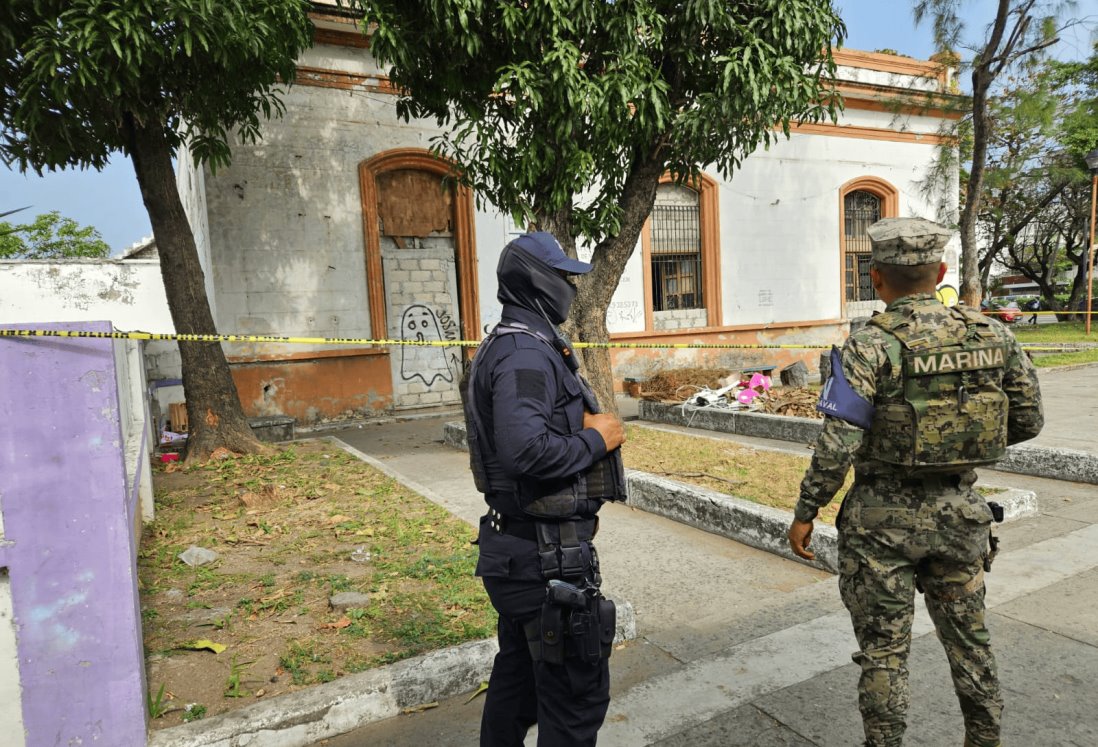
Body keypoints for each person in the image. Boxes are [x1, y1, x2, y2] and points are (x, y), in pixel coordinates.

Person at [787, 217, 1044, 747]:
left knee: (883, 653)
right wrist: (960, 448)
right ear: (942, 271)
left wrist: (806, 511)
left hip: (880, 524)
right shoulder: (992, 334)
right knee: (971, 643)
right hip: (960, 516)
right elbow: (1027, 419)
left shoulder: (868, 345)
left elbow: (839, 444)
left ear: (875, 279)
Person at [462, 231, 628, 747]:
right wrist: (596, 439)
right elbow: (526, 450)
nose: (570, 289)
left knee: (517, 689)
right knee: (574, 704)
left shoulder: (517, 343)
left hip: (526, 554)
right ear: (536, 281)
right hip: (544, 560)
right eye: (562, 277)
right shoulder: (524, 356)